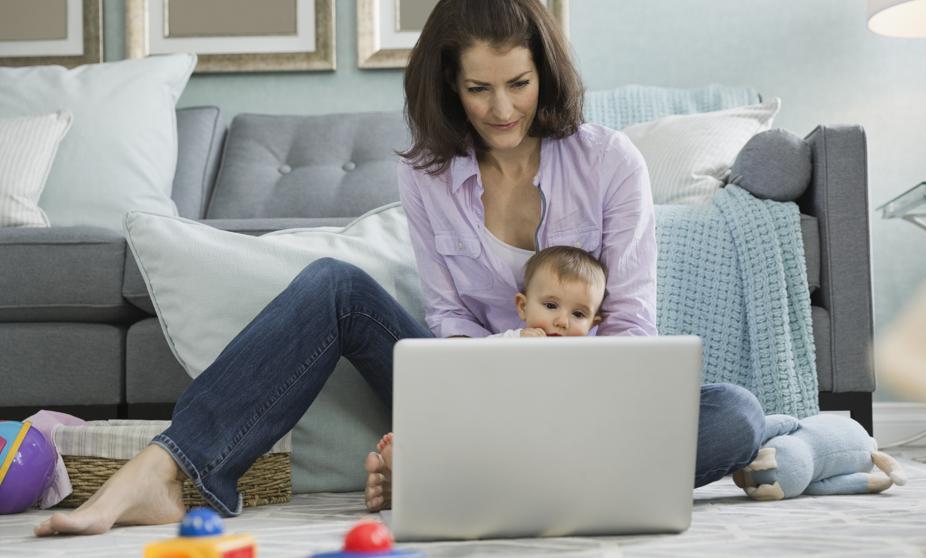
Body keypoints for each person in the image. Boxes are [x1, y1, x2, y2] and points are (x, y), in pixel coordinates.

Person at [35, 0, 763, 536]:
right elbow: (446, 324)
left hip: (590, 407)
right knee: (333, 286)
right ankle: (172, 473)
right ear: (449, 85)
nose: (502, 109)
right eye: (478, 89)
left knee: (734, 416)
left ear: (544, 70)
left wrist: (561, 387)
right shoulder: (430, 174)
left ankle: (471, 483)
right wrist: (459, 412)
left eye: (518, 83)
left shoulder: (610, 161)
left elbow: (631, 322)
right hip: (472, 396)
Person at [489, 245, 607, 338]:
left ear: (592, 324)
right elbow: (479, 352)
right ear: (523, 306)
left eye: (578, 314)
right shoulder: (515, 340)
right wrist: (516, 340)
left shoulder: (589, 355)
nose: (562, 322)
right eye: (551, 306)